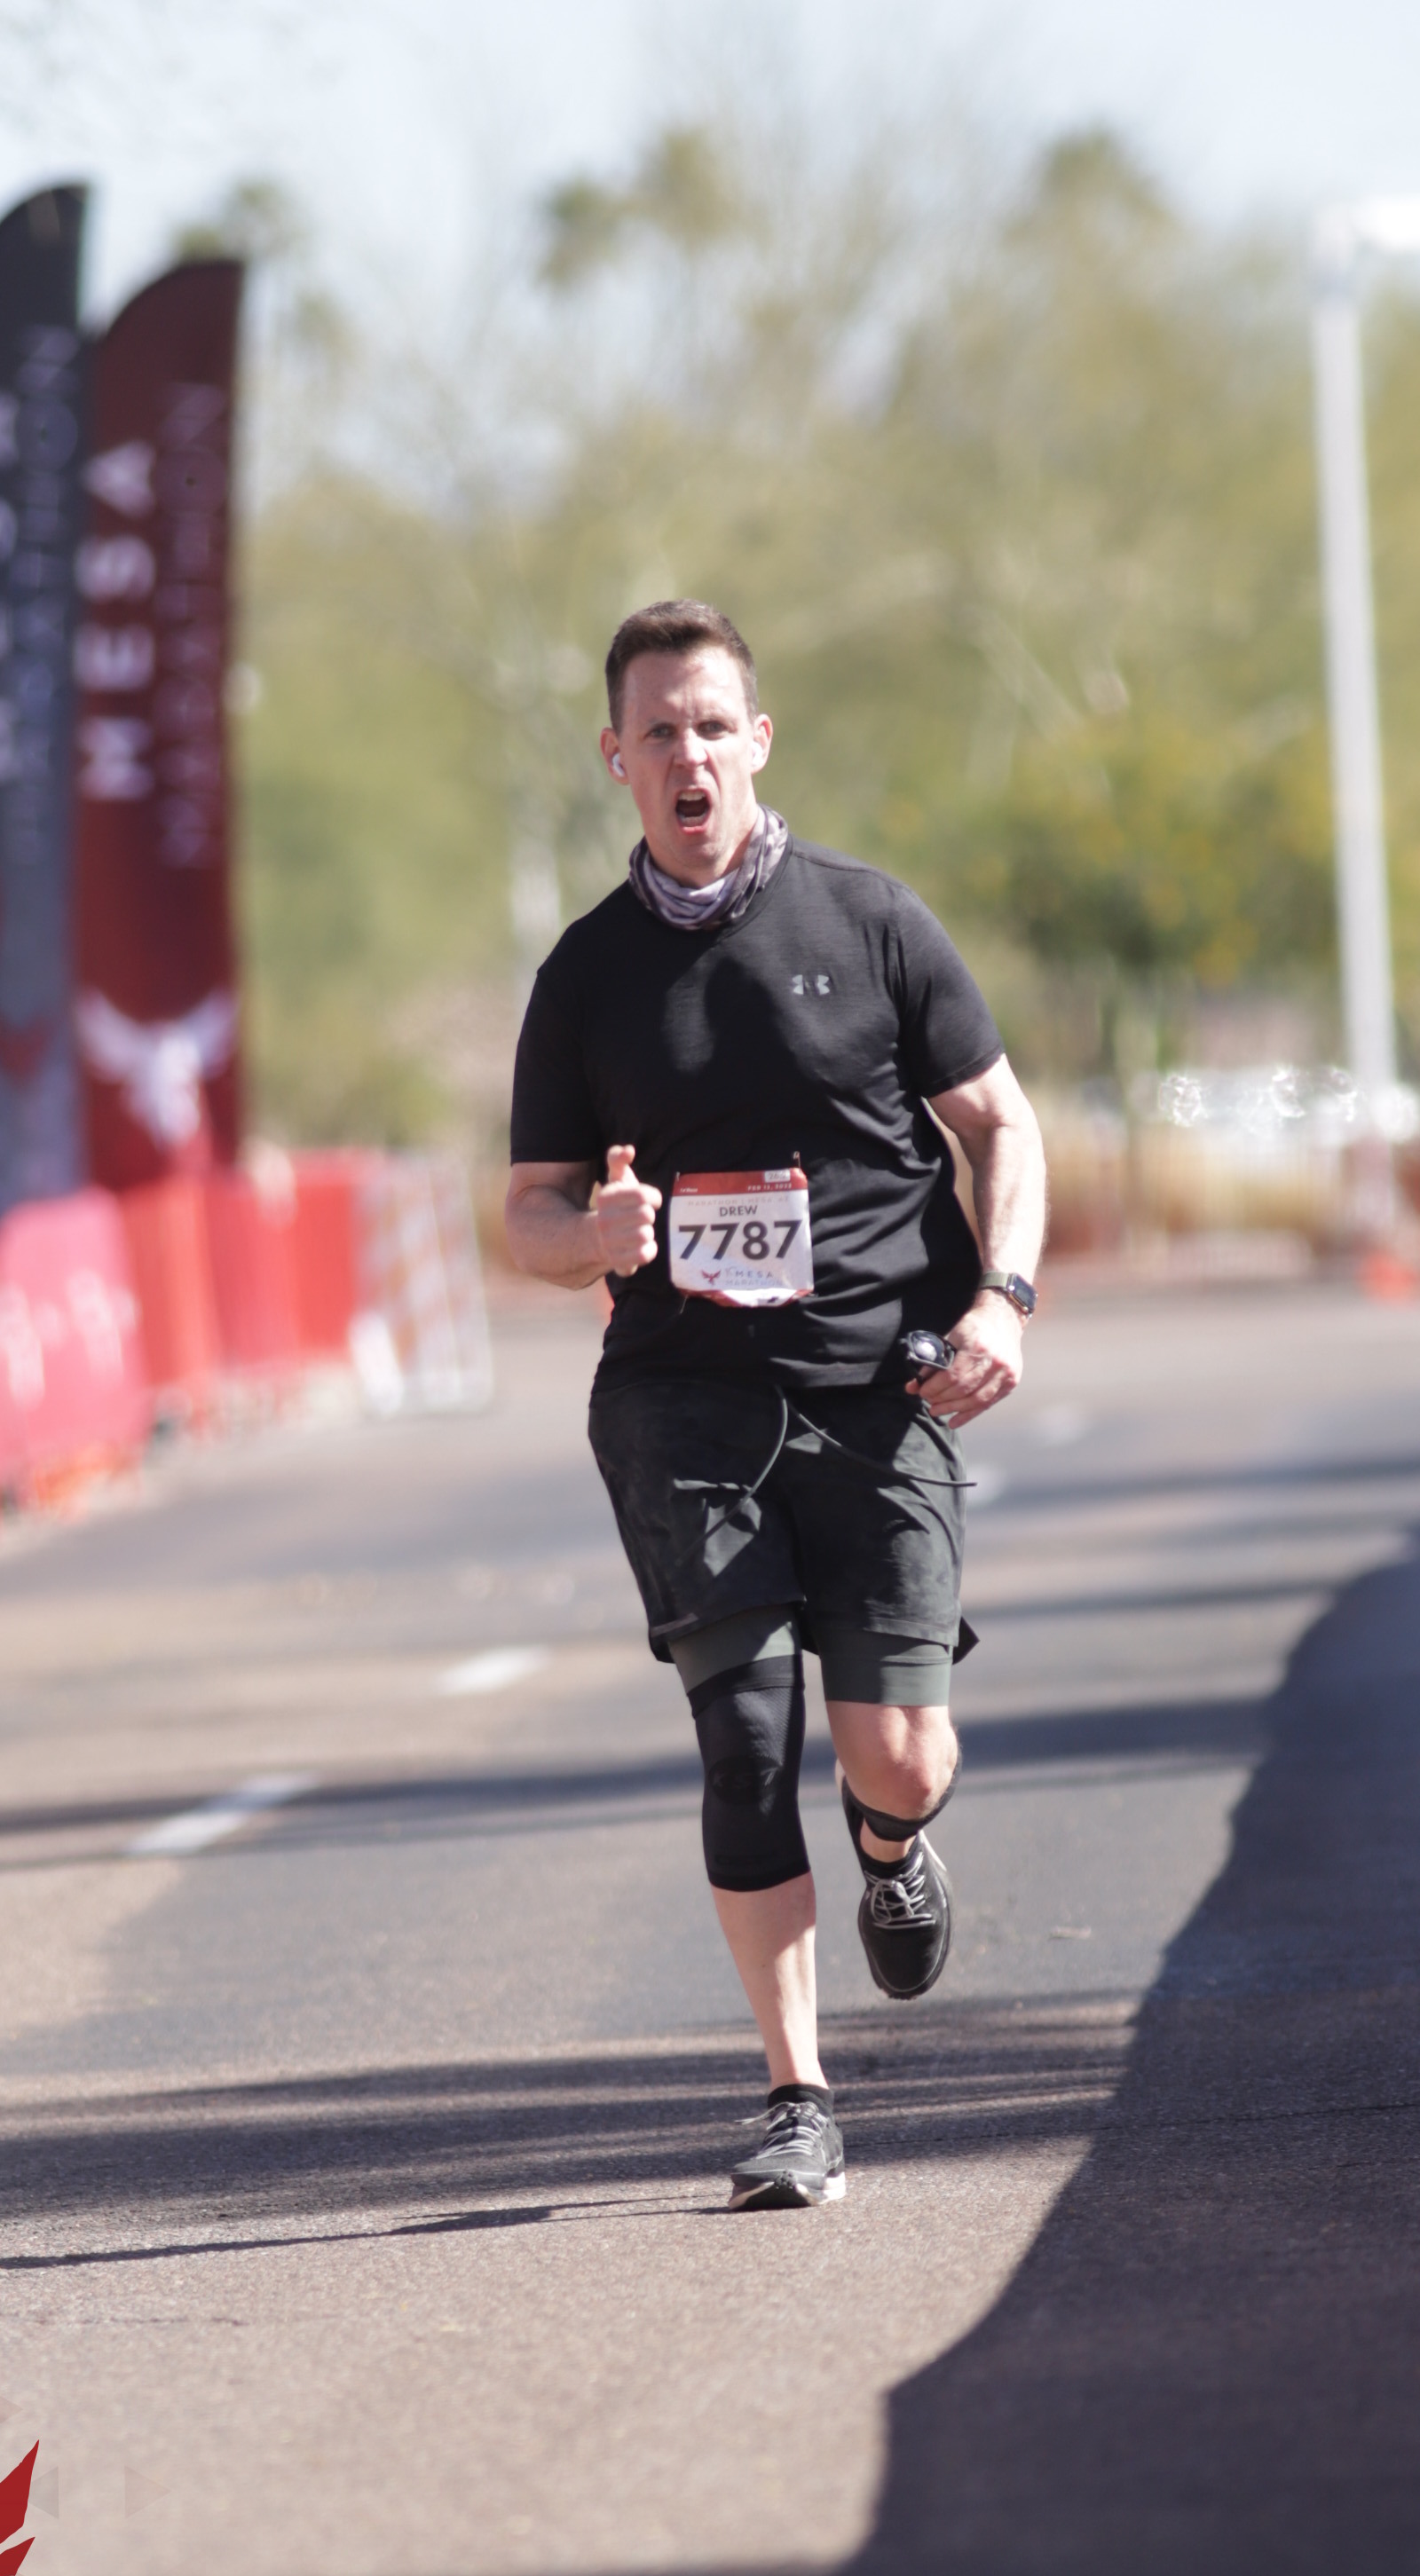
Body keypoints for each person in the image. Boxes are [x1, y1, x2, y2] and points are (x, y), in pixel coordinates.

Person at [506, 599, 1048, 2211]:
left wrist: (1003, 1299)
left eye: (710, 724)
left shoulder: (871, 922)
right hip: (680, 1401)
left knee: (900, 1754)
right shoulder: (586, 975)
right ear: (617, 759)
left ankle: (892, 1846)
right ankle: (796, 2095)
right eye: (655, 731)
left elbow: (1000, 1123)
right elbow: (529, 1213)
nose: (687, 755)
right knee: (746, 1742)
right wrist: (591, 1239)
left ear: (757, 740)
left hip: (879, 1388)